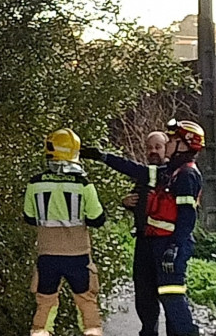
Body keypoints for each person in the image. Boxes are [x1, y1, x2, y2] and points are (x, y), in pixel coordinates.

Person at [81, 119, 204, 336]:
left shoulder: (186, 175)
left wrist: (174, 247)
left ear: (184, 145)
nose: (167, 144)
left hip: (169, 245)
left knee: (172, 298)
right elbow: (135, 170)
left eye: (172, 140)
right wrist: (103, 157)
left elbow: (187, 217)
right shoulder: (171, 171)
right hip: (152, 242)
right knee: (147, 294)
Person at [24, 128, 106, 336]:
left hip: (47, 255)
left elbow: (29, 217)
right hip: (78, 256)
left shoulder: (35, 184)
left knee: (45, 304)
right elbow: (98, 219)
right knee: (86, 303)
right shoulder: (84, 185)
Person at [117, 131, 169, 336]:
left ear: (167, 148)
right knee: (144, 293)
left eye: (157, 147)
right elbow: (140, 201)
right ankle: (148, 331)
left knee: (168, 293)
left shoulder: (173, 175)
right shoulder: (144, 176)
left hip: (165, 243)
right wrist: (127, 202)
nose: (153, 151)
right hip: (143, 241)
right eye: (149, 147)